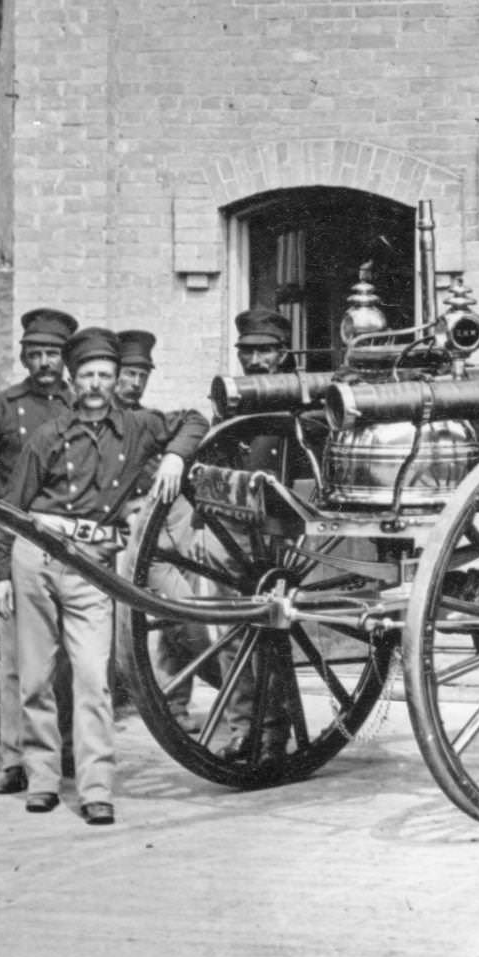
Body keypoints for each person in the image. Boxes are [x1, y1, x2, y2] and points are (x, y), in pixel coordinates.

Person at [0, 326, 208, 825]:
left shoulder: (137, 427)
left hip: (92, 565)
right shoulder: (47, 436)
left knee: (93, 677)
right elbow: (12, 507)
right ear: (73, 378)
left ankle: (95, 788)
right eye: (86, 375)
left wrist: (174, 454)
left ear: (115, 379)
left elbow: (194, 419)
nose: (95, 384)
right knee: (37, 675)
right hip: (36, 557)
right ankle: (43, 779)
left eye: (104, 375)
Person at [146, 307, 293, 763]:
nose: (255, 360)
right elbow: (214, 453)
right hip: (233, 531)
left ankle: (273, 734)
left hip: (281, 535)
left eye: (265, 351)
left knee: (271, 632)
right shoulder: (231, 399)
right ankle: (243, 730)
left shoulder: (297, 397)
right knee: (232, 632)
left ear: (283, 353)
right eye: (247, 352)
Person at [0, 305, 76, 795]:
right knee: (15, 661)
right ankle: (14, 760)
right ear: (24, 356)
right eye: (37, 353)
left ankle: (64, 749)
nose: (45, 362)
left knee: (68, 657)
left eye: (53, 353)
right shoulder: (0, 408)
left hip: (69, 544)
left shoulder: (78, 405)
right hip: (16, 543)